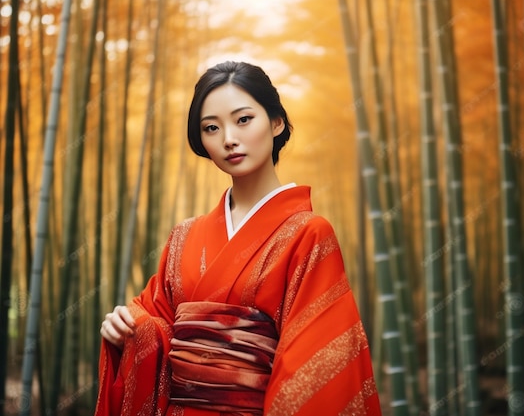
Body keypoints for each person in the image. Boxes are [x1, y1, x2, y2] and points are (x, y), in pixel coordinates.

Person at [95, 61, 382, 416]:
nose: (229, 138)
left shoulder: (309, 234)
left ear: (276, 122)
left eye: (243, 120)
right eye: (212, 127)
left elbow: (317, 363)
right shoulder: (184, 237)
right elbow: (153, 321)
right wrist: (127, 328)